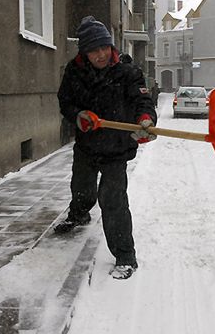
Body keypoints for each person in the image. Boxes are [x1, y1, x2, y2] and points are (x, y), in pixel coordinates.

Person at [55, 16, 157, 280]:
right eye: (93, 50)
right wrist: (77, 115)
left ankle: (125, 257)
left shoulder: (127, 71)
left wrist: (145, 121)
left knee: (112, 201)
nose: (100, 55)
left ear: (111, 47)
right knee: (81, 188)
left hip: (116, 148)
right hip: (87, 145)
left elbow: (143, 102)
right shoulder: (74, 71)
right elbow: (65, 101)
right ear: (84, 52)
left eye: (104, 48)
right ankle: (78, 216)